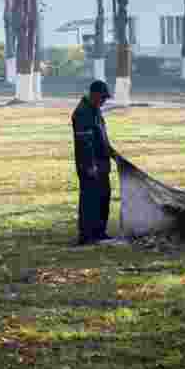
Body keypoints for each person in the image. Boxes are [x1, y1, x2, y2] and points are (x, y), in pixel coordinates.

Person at [71, 80, 116, 245]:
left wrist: (113, 154)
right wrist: (90, 166)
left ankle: (99, 232)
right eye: (102, 98)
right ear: (94, 95)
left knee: (103, 197)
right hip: (90, 165)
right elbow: (85, 143)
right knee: (90, 199)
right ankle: (87, 235)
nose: (104, 102)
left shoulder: (95, 110)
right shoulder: (83, 113)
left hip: (102, 164)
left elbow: (102, 137)